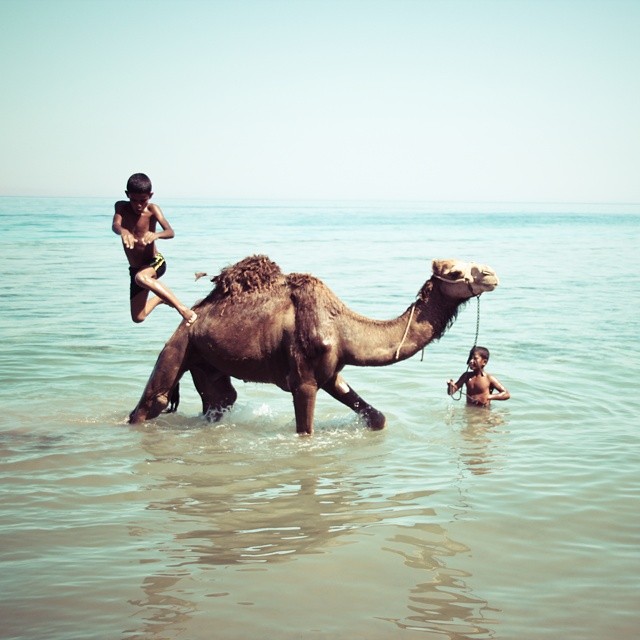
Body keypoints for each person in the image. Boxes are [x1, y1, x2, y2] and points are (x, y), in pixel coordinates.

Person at [112, 173, 197, 325]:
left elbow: (170, 232)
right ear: (127, 195)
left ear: (150, 196)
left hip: (155, 262)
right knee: (138, 317)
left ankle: (182, 309)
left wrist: (156, 235)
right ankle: (160, 298)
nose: (138, 205)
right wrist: (123, 231)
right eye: (134, 200)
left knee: (141, 278)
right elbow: (115, 225)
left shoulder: (153, 210)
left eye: (143, 200)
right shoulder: (121, 207)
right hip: (136, 269)